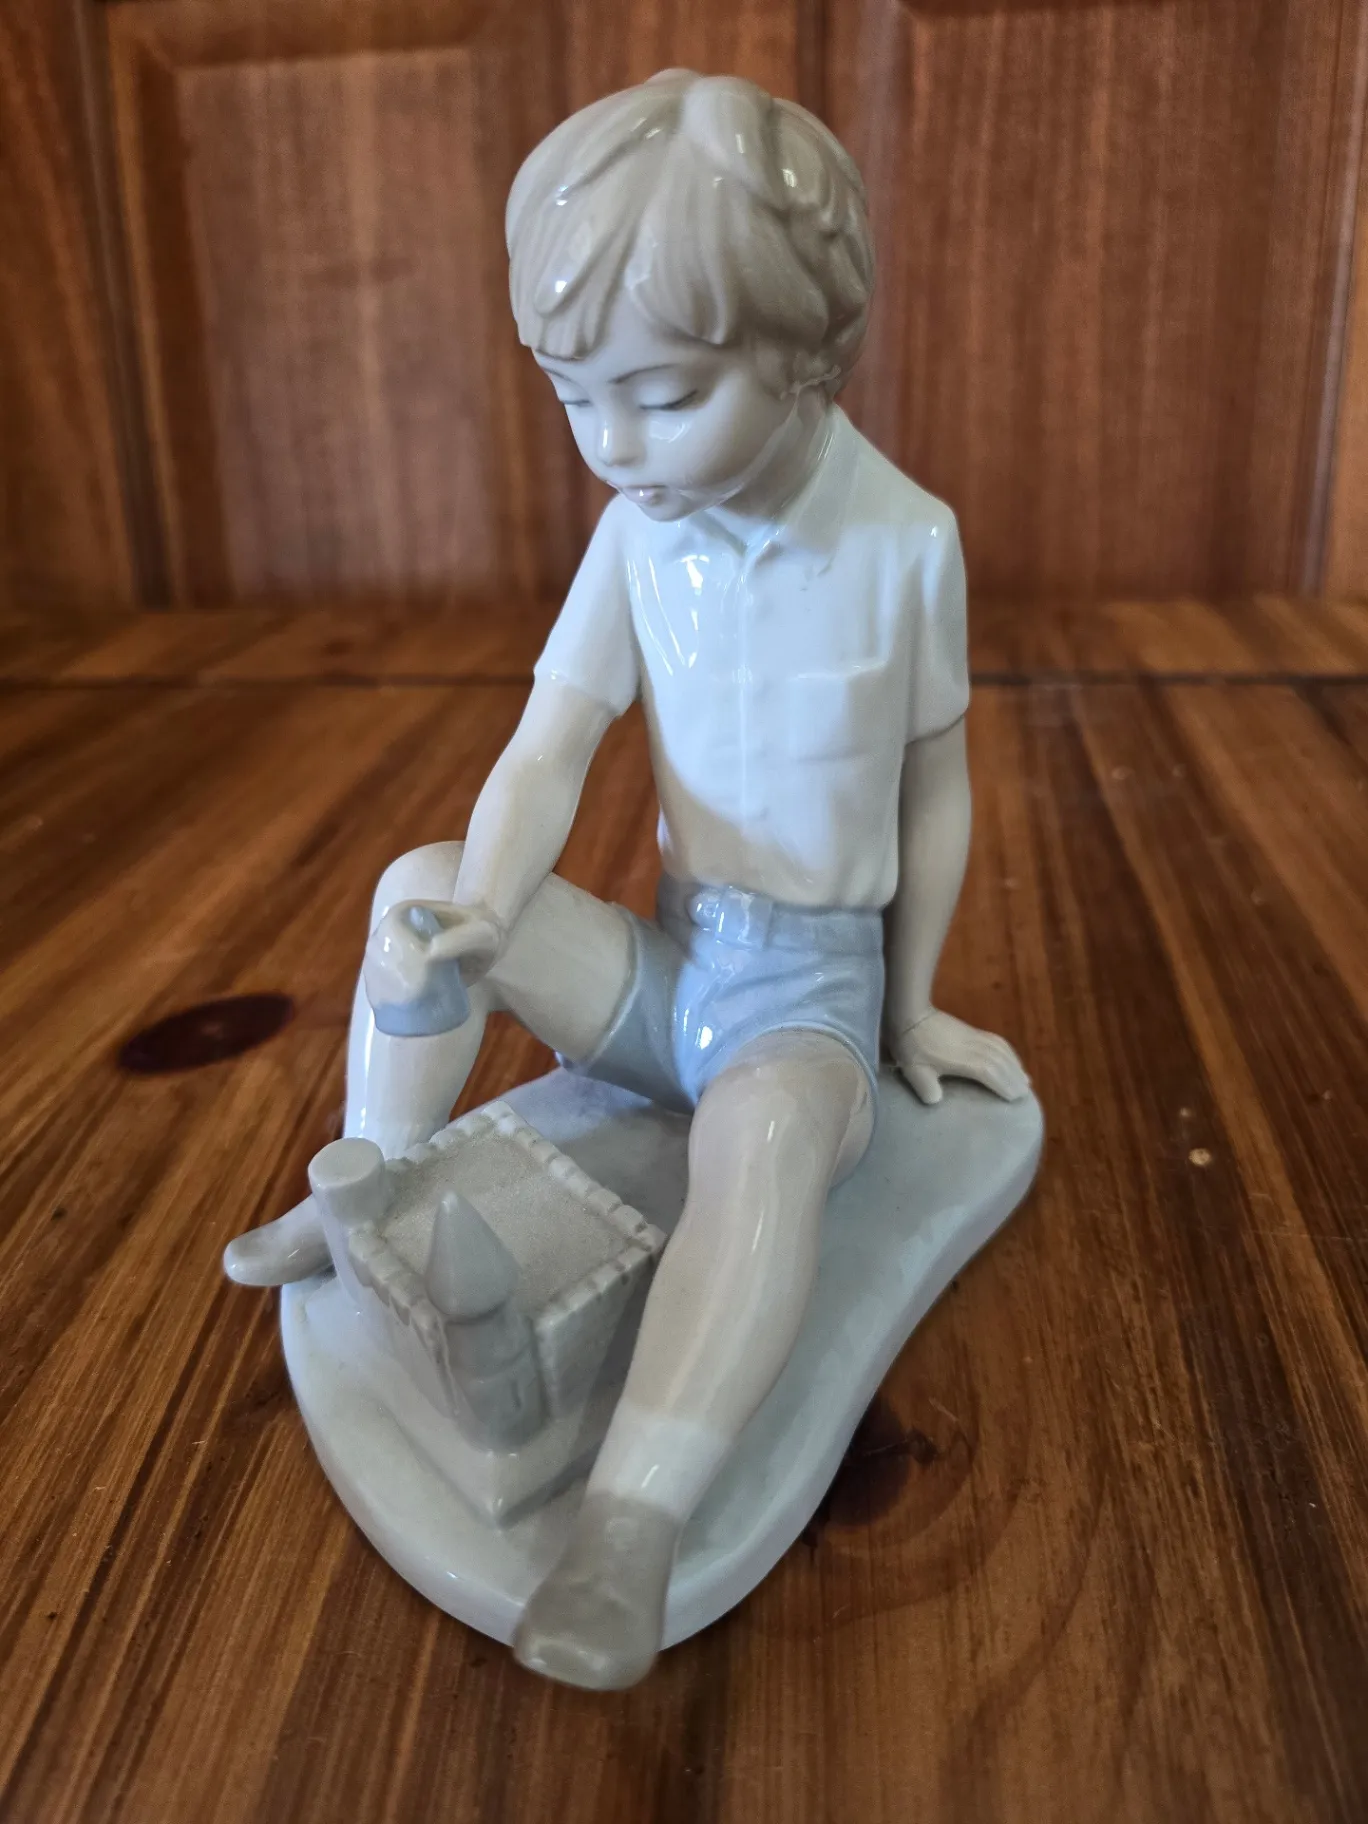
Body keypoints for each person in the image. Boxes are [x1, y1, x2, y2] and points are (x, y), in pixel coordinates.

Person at [350, 71, 1029, 1688]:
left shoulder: (906, 544)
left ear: (803, 357)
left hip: (803, 1003)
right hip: (671, 973)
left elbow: (937, 790)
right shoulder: (637, 535)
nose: (613, 445)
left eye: (659, 394)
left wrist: (910, 1012)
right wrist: (489, 908)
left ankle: (632, 1524)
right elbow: (548, 744)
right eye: (575, 397)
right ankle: (360, 1190)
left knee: (768, 1149)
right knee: (414, 885)